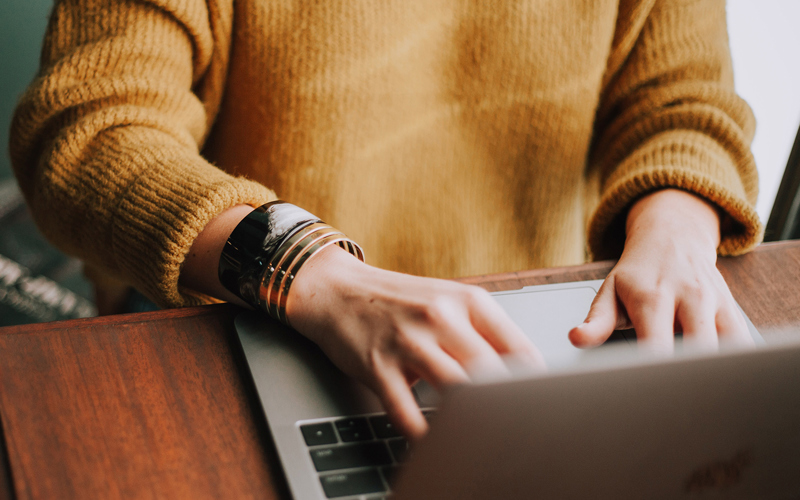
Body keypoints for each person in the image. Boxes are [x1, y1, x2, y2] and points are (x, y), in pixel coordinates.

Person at [10, 0, 762, 439]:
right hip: (240, 312)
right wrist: (312, 271)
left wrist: (679, 228)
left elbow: (684, 102)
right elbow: (89, 129)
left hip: (525, 336)